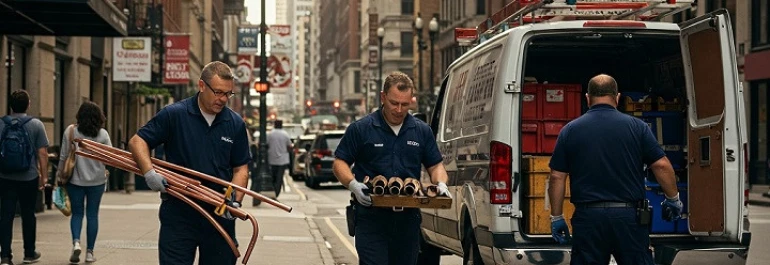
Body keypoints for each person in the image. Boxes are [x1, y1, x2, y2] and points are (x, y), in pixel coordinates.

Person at [547, 74, 683, 265]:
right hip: (629, 218)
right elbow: (661, 165)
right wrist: (673, 199)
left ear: (588, 98)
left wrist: (556, 216)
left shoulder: (570, 130)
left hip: (588, 219)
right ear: (617, 97)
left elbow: (556, 176)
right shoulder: (638, 128)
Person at [127, 61, 251, 265]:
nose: (223, 99)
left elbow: (240, 168)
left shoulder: (235, 124)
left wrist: (234, 200)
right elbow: (138, 141)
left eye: (228, 94)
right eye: (218, 92)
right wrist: (149, 173)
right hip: (179, 212)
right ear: (201, 86)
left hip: (218, 212)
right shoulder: (175, 114)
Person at [332, 71, 451, 265]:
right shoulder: (361, 129)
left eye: (405, 104)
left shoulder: (421, 131)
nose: (398, 109)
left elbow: (435, 164)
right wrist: (353, 184)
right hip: (371, 217)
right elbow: (340, 162)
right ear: (383, 97)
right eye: (394, 103)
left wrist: (441, 184)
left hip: (408, 220)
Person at [58, 101, 112, 264]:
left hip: (75, 180)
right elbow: (109, 157)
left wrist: (60, 175)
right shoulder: (102, 134)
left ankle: (76, 242)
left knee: (77, 214)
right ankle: (89, 252)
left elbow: (63, 156)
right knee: (92, 215)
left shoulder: (71, 131)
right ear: (98, 117)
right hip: (96, 181)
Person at [0, 90, 48, 265]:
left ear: (11, 105)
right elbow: (42, 153)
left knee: (6, 215)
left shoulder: (1, 124)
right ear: (28, 105)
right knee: (28, 214)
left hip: (4, 176)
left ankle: (5, 255)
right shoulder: (36, 124)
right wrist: (44, 177)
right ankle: (29, 253)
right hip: (28, 177)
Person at [266, 119, 292, 198]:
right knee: (279, 178)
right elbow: (289, 146)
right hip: (282, 160)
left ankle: (274, 190)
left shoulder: (270, 134)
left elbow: (266, 145)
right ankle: (276, 193)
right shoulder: (285, 134)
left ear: (274, 125)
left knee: (273, 177)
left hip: (272, 159)